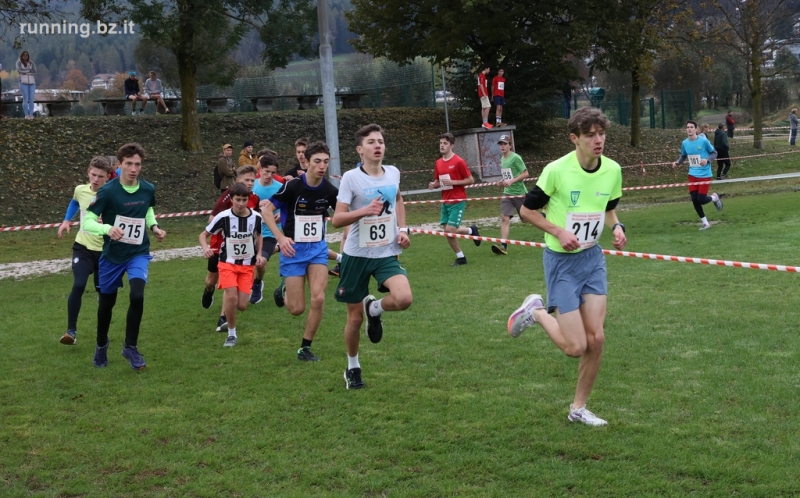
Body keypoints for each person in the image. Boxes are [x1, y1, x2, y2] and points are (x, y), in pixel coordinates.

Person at [507, 107, 627, 427]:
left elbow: (610, 207)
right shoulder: (556, 171)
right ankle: (536, 311)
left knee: (597, 339)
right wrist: (558, 231)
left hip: (592, 259)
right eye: (590, 136)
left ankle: (578, 408)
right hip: (561, 262)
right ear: (575, 138)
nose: (598, 140)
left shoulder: (612, 170)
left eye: (601, 134)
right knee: (575, 347)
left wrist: (617, 227)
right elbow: (528, 213)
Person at [331, 123, 413, 389]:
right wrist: (363, 211)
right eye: (371, 142)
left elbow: (398, 200)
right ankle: (353, 366)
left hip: (387, 250)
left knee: (404, 298)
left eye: (380, 141)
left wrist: (402, 230)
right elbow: (337, 219)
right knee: (354, 319)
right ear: (360, 150)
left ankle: (374, 309)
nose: (378, 146)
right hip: (356, 254)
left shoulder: (393, 173)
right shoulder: (351, 178)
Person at [82, 143, 167, 370]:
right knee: (106, 304)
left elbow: (147, 209)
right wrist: (107, 229)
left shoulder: (148, 189)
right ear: (119, 165)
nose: (133, 168)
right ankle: (101, 343)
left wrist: (155, 226)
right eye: (128, 164)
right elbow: (87, 221)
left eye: (137, 164)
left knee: (137, 295)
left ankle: (130, 347)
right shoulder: (108, 191)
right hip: (112, 256)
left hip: (138, 252)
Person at [260, 141, 339, 362]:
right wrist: (280, 237)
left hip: (317, 250)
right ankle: (284, 288)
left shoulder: (330, 190)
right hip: (292, 250)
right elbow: (267, 211)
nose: (322, 166)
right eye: (317, 162)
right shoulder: (293, 186)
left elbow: (342, 214)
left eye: (325, 162)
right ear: (307, 162)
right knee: (296, 309)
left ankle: (305, 348)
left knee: (319, 298)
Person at [200, 182, 265, 347]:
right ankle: (231, 334)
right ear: (232, 200)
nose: (241, 203)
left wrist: (258, 254)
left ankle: (233, 313)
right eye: (238, 199)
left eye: (244, 200)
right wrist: (206, 247)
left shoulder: (256, 217)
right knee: (231, 297)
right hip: (227, 262)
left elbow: (259, 236)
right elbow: (203, 234)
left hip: (246, 265)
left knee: (242, 305)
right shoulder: (223, 216)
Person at [57, 157, 114, 345]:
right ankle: (71, 332)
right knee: (79, 284)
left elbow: (124, 218)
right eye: (93, 175)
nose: (96, 179)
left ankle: (102, 333)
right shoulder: (80, 190)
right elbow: (75, 202)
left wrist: (107, 222)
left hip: (105, 251)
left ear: (108, 177)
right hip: (82, 247)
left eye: (101, 176)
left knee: (103, 292)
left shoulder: (113, 194)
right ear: (88, 172)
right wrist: (66, 220)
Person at [428, 133, 480, 266]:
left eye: (445, 143)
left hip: (458, 200)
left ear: (452, 145)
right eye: (440, 143)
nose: (442, 146)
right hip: (445, 201)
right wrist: (434, 185)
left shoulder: (458, 161)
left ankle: (470, 232)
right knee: (448, 233)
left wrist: (453, 182)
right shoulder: (438, 163)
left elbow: (470, 180)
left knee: (449, 231)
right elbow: (439, 181)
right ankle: (461, 256)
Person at [672, 120, 723, 230]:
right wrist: (677, 162)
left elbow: (714, 153)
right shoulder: (685, 143)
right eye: (687, 127)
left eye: (691, 127)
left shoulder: (703, 141)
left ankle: (715, 197)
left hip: (704, 174)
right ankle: (705, 223)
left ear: (696, 129)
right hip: (692, 175)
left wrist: (707, 160)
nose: (689, 129)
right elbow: (683, 155)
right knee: (694, 199)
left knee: (701, 199)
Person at [250, 154, 284, 304]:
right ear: (260, 169)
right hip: (250, 232)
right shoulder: (252, 186)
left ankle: (257, 282)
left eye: (273, 172)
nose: (270, 175)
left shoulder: (280, 188)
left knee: (261, 262)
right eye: (266, 171)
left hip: (269, 232)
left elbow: (288, 207)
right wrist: (257, 208)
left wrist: (282, 214)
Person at [491, 134, 529, 255]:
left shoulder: (516, 158)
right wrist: (502, 181)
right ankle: (503, 246)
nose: (502, 146)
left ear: (510, 145)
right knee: (504, 218)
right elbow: (508, 175)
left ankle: (543, 216)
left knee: (525, 219)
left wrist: (511, 181)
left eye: (504, 144)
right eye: (500, 144)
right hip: (507, 194)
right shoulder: (502, 159)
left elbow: (525, 174)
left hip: (519, 193)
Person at [16, 51, 36, 119]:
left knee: (31, 99)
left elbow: (34, 71)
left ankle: (31, 114)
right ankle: (26, 114)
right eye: (24, 55)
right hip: (23, 83)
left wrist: (26, 72)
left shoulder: (31, 63)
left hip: (32, 83)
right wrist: (28, 71)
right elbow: (20, 70)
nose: (25, 56)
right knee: (25, 98)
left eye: (26, 55)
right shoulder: (19, 63)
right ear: (21, 56)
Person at [478, 65, 493, 129]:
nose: (489, 71)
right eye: (488, 69)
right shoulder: (482, 76)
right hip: (483, 93)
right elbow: (481, 85)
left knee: (484, 107)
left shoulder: (481, 75)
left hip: (482, 93)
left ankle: (484, 122)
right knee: (488, 106)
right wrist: (484, 93)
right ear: (486, 69)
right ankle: (485, 122)